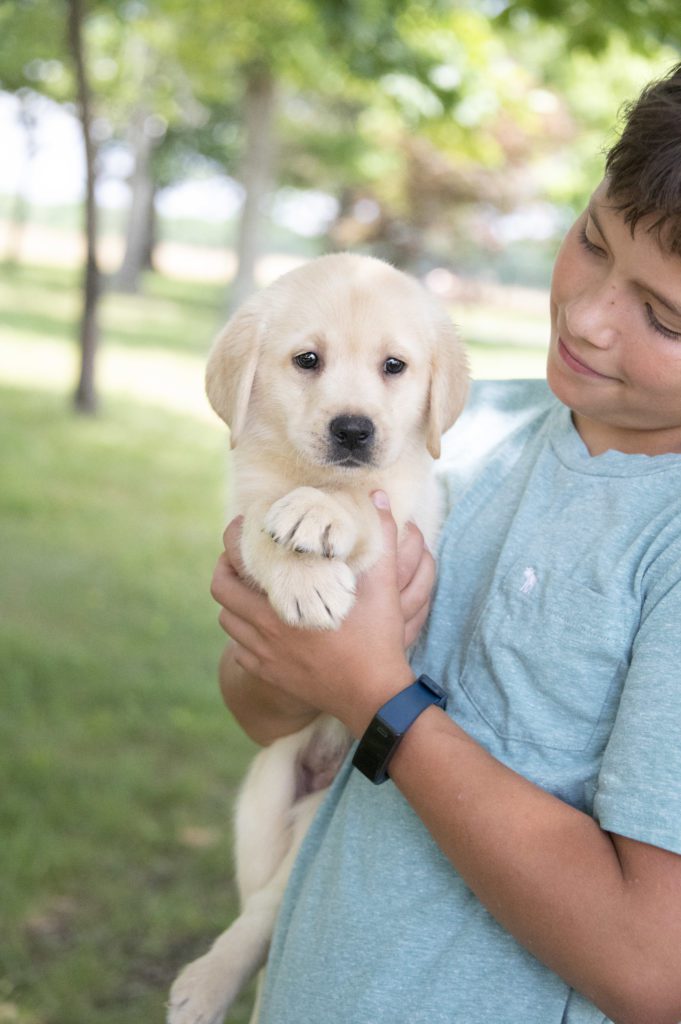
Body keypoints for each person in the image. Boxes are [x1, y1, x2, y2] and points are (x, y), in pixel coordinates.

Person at [210, 63, 681, 1024]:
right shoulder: (456, 425)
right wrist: (294, 640)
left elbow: (652, 970)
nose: (588, 318)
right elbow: (261, 710)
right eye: (590, 242)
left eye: (663, 316)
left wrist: (377, 697)